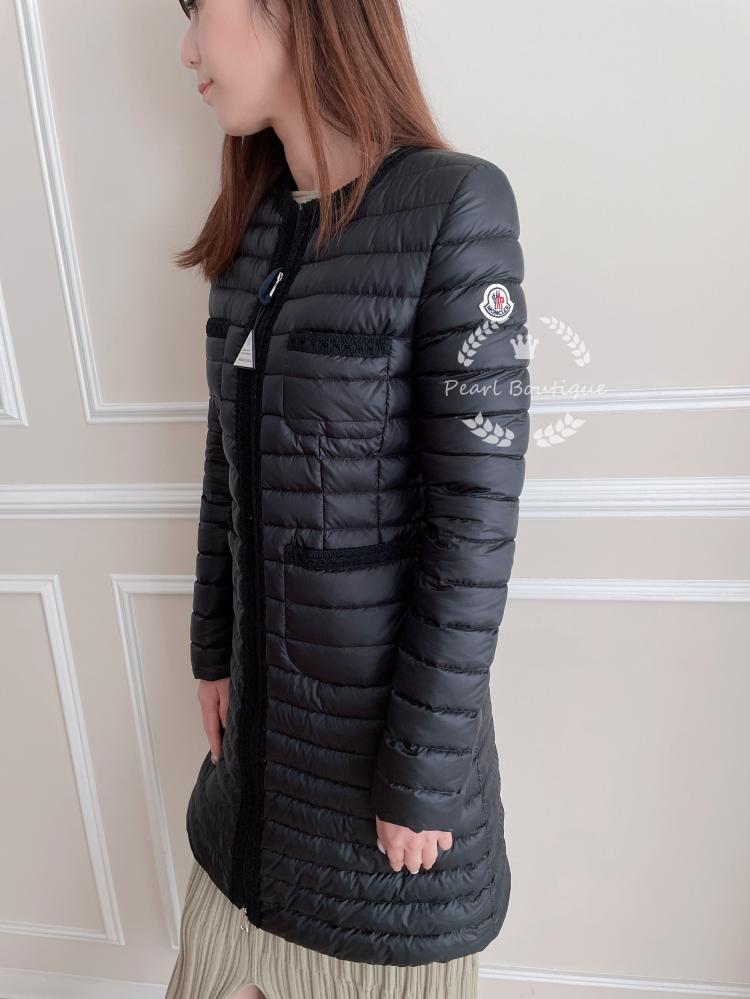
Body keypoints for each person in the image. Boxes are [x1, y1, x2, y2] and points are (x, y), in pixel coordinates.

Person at [166, 0, 530, 997]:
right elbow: (224, 465)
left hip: (384, 803)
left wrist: (422, 773)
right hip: (253, 782)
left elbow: (473, 524)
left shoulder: (455, 207)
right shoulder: (252, 232)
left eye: (198, 10)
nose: (188, 50)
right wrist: (210, 651)